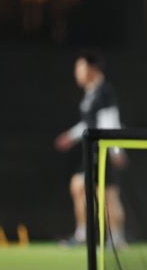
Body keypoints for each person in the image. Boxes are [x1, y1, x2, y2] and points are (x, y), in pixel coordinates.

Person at [55, 50, 128, 248]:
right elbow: (89, 122)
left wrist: (115, 151)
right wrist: (71, 136)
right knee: (79, 187)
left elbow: (110, 121)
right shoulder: (91, 92)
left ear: (92, 69)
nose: (77, 73)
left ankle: (117, 240)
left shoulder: (104, 91)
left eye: (80, 68)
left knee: (108, 195)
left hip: (103, 149)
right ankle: (83, 234)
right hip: (93, 150)